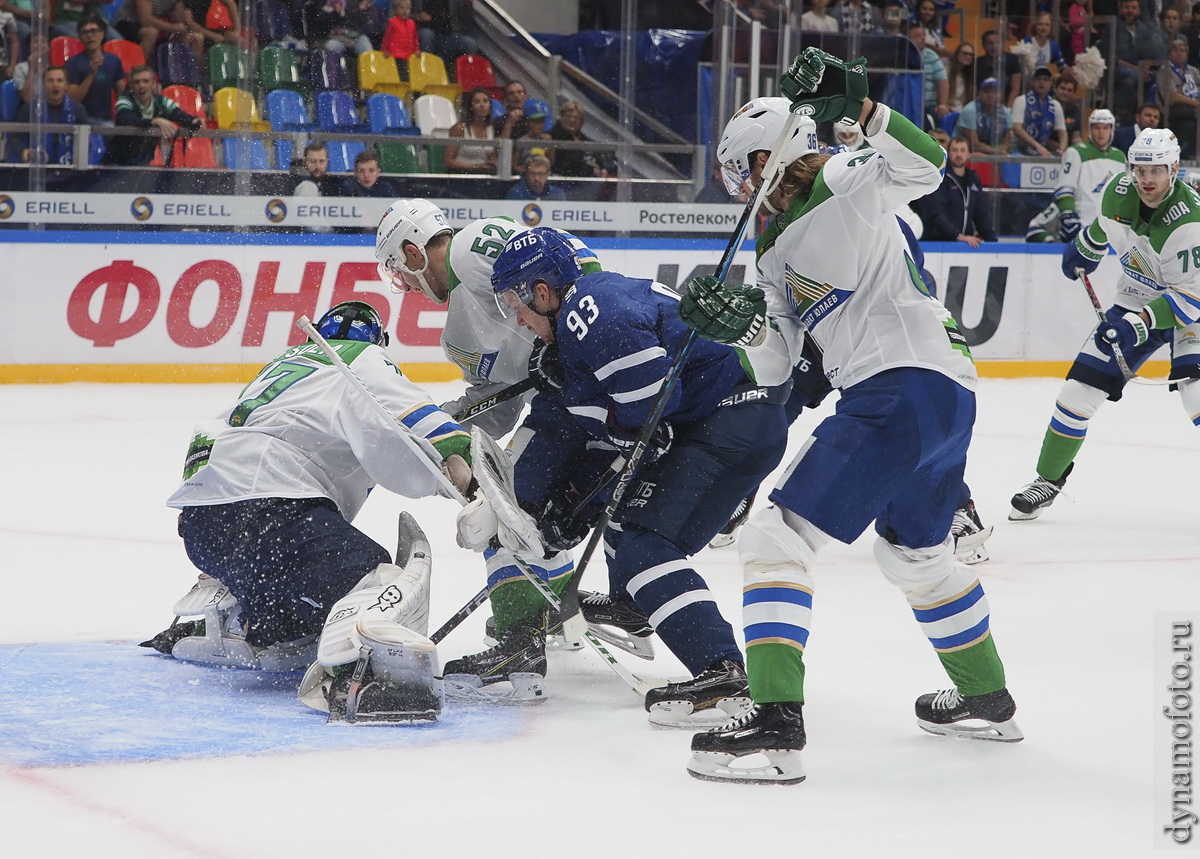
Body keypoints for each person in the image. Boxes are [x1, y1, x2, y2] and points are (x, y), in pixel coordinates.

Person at [678, 50, 1021, 784]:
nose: (735, 188)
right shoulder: (771, 253)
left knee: (775, 534)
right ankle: (988, 698)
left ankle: (776, 725)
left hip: (896, 388)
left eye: (739, 171)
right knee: (916, 555)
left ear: (766, 159)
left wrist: (863, 113)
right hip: (941, 395)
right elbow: (775, 364)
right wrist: (737, 329)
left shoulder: (843, 177)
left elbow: (926, 168)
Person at [489, 226, 792, 723]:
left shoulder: (589, 312)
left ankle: (723, 673)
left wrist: (574, 408)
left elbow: (648, 423)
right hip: (727, 419)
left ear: (541, 292)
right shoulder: (592, 304)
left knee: (645, 546)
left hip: (727, 421)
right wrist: (578, 498)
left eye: (514, 303)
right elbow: (638, 430)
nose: (517, 319)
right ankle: (635, 605)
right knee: (627, 523)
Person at [144, 301, 474, 721]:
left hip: (204, 526)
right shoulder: (355, 356)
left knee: (295, 607)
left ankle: (239, 625)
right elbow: (403, 420)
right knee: (375, 578)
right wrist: (464, 464)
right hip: (271, 512)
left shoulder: (283, 369)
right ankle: (361, 678)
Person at [374, 200, 606, 701]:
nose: (409, 288)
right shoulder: (456, 335)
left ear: (414, 251)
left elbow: (576, 263)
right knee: (517, 499)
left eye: (401, 272)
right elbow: (497, 407)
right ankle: (547, 611)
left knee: (505, 503)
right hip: (563, 407)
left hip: (595, 388)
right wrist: (437, 426)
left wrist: (568, 343)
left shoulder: (469, 248)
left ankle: (517, 645)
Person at [1009, 128, 1200, 521]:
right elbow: (1103, 228)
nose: (1147, 179)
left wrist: (1137, 327)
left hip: (1190, 308)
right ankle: (1046, 481)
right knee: (1076, 394)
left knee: (1197, 400)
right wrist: (1085, 248)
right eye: (1140, 169)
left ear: (1175, 170)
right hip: (1134, 299)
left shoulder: (1189, 221)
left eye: (1157, 171)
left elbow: (1189, 299)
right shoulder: (1119, 189)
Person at [1025, 109, 1123, 242]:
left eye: (1105, 128)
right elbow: (1064, 188)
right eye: (1097, 128)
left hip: (1111, 231)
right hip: (1083, 226)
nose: (1101, 133)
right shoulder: (1075, 153)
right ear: (1090, 130)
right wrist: (1068, 215)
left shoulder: (1120, 157)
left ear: (1112, 130)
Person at [102, 63, 200, 165]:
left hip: (143, 163)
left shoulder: (161, 101)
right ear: (131, 85)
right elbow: (125, 119)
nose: (141, 85)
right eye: (137, 82)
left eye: (145, 81)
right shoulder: (124, 101)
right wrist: (154, 121)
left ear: (153, 83)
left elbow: (178, 114)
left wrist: (194, 121)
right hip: (116, 164)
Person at [918, 136, 998, 245]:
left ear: (968, 154)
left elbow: (981, 214)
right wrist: (958, 236)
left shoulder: (973, 179)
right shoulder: (941, 178)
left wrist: (993, 242)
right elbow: (936, 212)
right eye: (955, 150)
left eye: (962, 150)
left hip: (965, 243)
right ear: (949, 154)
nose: (959, 154)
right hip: (940, 243)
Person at [1101, 0, 1167, 124]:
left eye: (1133, 7)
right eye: (1127, 7)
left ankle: (1152, 118)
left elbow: (1151, 53)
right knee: (1129, 78)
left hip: (1140, 71)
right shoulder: (1113, 27)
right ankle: (1122, 117)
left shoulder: (1145, 29)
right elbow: (1110, 57)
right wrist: (1138, 69)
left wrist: (1146, 68)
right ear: (1121, 9)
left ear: (1139, 10)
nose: (1130, 10)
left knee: (1157, 78)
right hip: (1117, 70)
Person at [8, 65, 88, 164]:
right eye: (50, 80)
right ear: (43, 85)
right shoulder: (29, 109)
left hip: (70, 170)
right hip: (37, 168)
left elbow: (87, 141)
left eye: (59, 81)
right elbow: (13, 138)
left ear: (66, 85)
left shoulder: (78, 110)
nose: (55, 85)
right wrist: (22, 151)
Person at [63, 15, 126, 126]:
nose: (90, 36)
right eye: (85, 32)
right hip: (81, 121)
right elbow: (73, 99)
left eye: (94, 31)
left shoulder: (114, 60)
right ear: (80, 37)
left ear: (102, 34)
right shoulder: (73, 63)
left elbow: (122, 93)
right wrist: (91, 74)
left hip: (107, 120)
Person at [113, 0, 205, 66]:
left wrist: (180, 6)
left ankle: (195, 78)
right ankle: (139, 71)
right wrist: (174, 28)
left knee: (196, 37)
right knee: (151, 33)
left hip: (157, 26)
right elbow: (145, 20)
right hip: (127, 23)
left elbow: (178, 19)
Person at [1156, 38, 1200, 158]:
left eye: (1182, 50)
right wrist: (1194, 103)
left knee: (1190, 126)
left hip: (1192, 109)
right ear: (1169, 54)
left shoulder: (1193, 71)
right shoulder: (1165, 70)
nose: (1179, 53)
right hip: (1174, 108)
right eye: (1175, 50)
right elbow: (1171, 96)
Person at [1012, 65, 1069, 157]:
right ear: (1032, 82)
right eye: (1038, 79)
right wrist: (1037, 146)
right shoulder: (1021, 100)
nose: (1041, 82)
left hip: (1042, 150)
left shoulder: (1055, 105)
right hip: (1019, 149)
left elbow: (1062, 131)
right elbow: (1017, 128)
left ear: (1050, 83)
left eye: (1045, 79)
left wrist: (1062, 149)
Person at [547, 99, 611, 178]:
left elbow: (593, 153)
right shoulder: (554, 135)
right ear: (561, 117)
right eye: (569, 116)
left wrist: (602, 168)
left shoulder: (581, 136)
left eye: (576, 118)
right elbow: (568, 163)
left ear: (581, 122)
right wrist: (591, 170)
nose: (572, 120)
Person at [443, 86, 498, 174]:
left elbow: (492, 158)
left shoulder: (492, 129)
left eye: (485, 101)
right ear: (470, 106)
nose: (482, 105)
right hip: (461, 175)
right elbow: (448, 161)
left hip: (483, 175)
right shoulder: (459, 128)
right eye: (477, 102)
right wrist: (474, 167)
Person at [955, 77, 1013, 156]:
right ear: (979, 93)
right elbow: (973, 144)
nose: (990, 95)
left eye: (995, 92)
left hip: (995, 154)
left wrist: (1002, 151)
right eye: (986, 91)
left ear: (1000, 95)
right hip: (968, 154)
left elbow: (1007, 141)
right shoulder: (970, 110)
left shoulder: (1006, 112)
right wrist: (996, 151)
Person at [910, 23, 948, 129]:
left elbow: (942, 80)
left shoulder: (931, 56)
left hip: (928, 105)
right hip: (908, 103)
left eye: (923, 35)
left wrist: (942, 104)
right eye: (917, 36)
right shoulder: (900, 55)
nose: (922, 38)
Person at [975, 29, 1024, 108]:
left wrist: (1008, 107)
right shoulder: (977, 62)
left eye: (997, 43)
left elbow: (1015, 87)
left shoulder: (1012, 59)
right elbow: (973, 89)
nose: (994, 47)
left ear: (1003, 45)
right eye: (990, 43)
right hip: (983, 105)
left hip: (1006, 104)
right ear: (983, 45)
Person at [1021, 11, 1069, 77]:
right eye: (1040, 24)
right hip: (1027, 79)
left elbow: (1063, 67)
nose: (1044, 27)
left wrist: (1072, 71)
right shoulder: (1027, 41)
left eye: (1047, 25)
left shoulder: (1053, 45)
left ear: (1051, 28)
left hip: (1044, 79)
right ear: (1035, 26)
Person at [947, 42, 978, 113]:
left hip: (963, 111)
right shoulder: (946, 72)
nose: (968, 56)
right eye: (965, 53)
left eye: (971, 55)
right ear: (957, 54)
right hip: (948, 110)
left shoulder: (970, 76)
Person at [1055, 76, 1085, 145]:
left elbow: (1076, 136)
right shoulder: (1048, 105)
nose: (1065, 93)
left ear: (1074, 94)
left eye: (1069, 90)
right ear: (1056, 89)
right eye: (1062, 88)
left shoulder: (1074, 109)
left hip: (1067, 150)